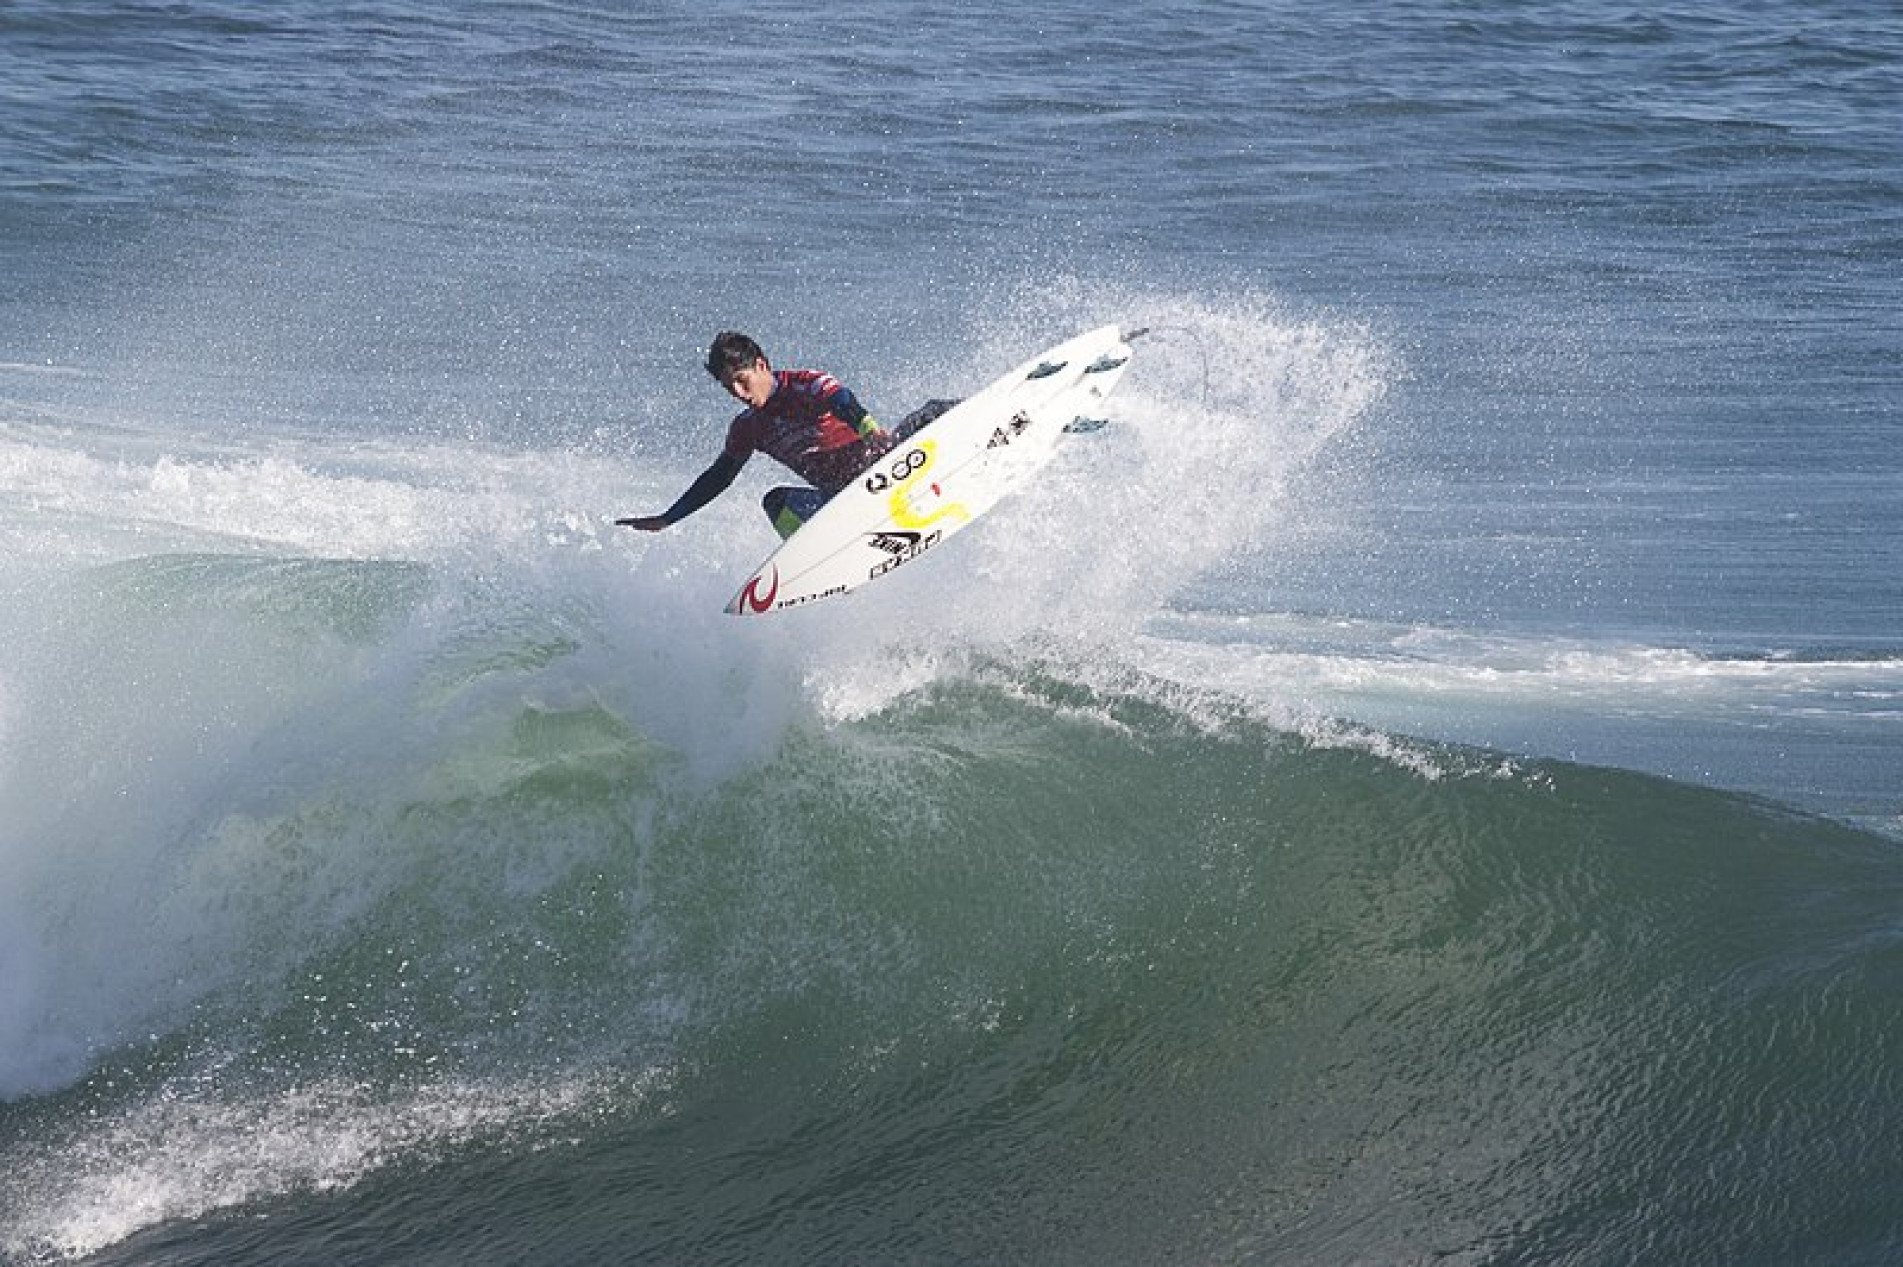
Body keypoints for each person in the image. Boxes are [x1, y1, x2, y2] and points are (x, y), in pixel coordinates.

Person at [616, 331, 955, 540]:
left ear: (762, 365)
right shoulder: (747, 427)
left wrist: (868, 430)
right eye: (728, 386)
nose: (737, 392)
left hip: (888, 469)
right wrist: (668, 517)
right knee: (776, 503)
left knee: (932, 411)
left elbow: (842, 400)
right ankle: (819, 556)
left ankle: (1006, 421)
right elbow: (719, 477)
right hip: (840, 502)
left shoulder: (805, 385)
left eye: (742, 379)